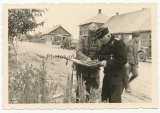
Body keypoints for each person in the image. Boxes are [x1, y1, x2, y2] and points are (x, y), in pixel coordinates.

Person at [95, 27, 127, 103]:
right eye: (100, 40)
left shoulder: (118, 43)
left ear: (108, 35)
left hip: (117, 77)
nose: (101, 42)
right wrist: (96, 60)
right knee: (105, 99)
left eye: (102, 40)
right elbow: (102, 56)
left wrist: (107, 63)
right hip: (107, 75)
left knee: (114, 101)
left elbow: (123, 59)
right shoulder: (104, 43)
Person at [75, 23, 101, 102]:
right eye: (91, 35)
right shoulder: (83, 38)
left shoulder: (100, 40)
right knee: (80, 92)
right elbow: (78, 52)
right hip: (82, 71)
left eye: (95, 35)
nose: (93, 37)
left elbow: (102, 54)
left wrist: (97, 59)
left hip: (94, 72)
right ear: (88, 32)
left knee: (92, 93)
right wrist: (86, 58)